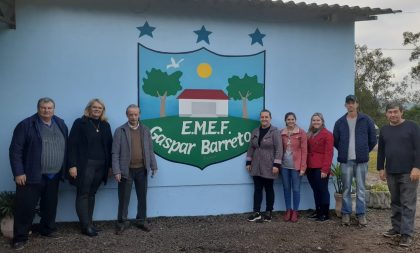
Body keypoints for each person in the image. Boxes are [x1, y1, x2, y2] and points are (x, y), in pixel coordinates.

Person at [9, 97, 68, 250]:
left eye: (49, 108)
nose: (46, 110)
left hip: (53, 175)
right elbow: (15, 150)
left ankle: (47, 229)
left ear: (54, 109)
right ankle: (20, 237)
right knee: (25, 207)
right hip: (31, 175)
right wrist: (19, 172)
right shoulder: (26, 125)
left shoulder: (60, 123)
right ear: (38, 108)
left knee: (49, 205)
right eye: (43, 108)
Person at [68, 98, 113, 237]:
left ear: (102, 110)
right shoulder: (80, 123)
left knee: (92, 194)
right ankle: (85, 226)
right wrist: (72, 165)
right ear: (89, 109)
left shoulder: (105, 125)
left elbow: (110, 146)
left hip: (101, 165)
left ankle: (90, 223)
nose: (97, 110)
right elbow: (72, 145)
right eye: (94, 107)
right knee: (83, 193)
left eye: (100, 108)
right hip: (85, 165)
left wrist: (110, 166)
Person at [377, 103, 420, 247]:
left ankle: (406, 234)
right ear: (386, 114)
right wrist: (380, 168)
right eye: (390, 112)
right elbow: (381, 151)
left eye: (396, 112)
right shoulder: (384, 130)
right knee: (395, 201)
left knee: (407, 203)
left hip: (409, 172)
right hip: (391, 171)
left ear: (402, 112)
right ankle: (396, 228)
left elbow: (419, 148)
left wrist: (417, 167)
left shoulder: (412, 127)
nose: (393, 114)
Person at [112, 104, 158, 234]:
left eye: (135, 114)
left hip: (142, 170)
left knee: (142, 197)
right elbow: (115, 153)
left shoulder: (145, 130)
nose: (133, 117)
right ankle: (122, 222)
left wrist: (153, 165)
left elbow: (150, 149)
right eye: (130, 114)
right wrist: (116, 170)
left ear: (139, 115)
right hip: (126, 171)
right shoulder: (120, 131)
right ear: (127, 115)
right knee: (124, 198)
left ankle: (141, 220)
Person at [333, 95, 377, 226]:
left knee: (361, 188)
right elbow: (336, 141)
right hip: (346, 161)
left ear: (357, 104)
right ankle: (346, 213)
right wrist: (343, 151)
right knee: (346, 188)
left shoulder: (366, 120)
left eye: (353, 103)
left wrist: (363, 151)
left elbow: (373, 139)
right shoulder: (340, 122)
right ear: (345, 105)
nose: (351, 105)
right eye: (348, 103)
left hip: (361, 161)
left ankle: (361, 214)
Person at [246, 109, 282, 222]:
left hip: (269, 165)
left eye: (266, 117)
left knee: (269, 189)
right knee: (257, 189)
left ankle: (269, 212)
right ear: (260, 118)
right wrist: (248, 161)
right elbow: (251, 147)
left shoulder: (275, 132)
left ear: (270, 118)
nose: (264, 119)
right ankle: (256, 212)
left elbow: (279, 149)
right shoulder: (255, 131)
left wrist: (276, 164)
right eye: (262, 117)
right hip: (256, 165)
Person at [280, 112, 307, 222]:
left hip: (296, 167)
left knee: (296, 189)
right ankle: (288, 210)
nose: (290, 121)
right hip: (284, 166)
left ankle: (295, 211)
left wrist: (303, 167)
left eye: (292, 119)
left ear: (295, 120)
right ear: (285, 120)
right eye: (288, 119)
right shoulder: (281, 133)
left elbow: (305, 151)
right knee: (286, 189)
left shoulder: (301, 133)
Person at [306, 112, 334, 221]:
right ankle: (318, 211)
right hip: (310, 166)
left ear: (322, 121)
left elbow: (329, 153)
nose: (316, 122)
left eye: (318, 120)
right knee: (315, 190)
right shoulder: (309, 134)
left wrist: (325, 169)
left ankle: (325, 213)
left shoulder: (327, 134)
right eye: (314, 120)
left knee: (323, 190)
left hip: (321, 167)